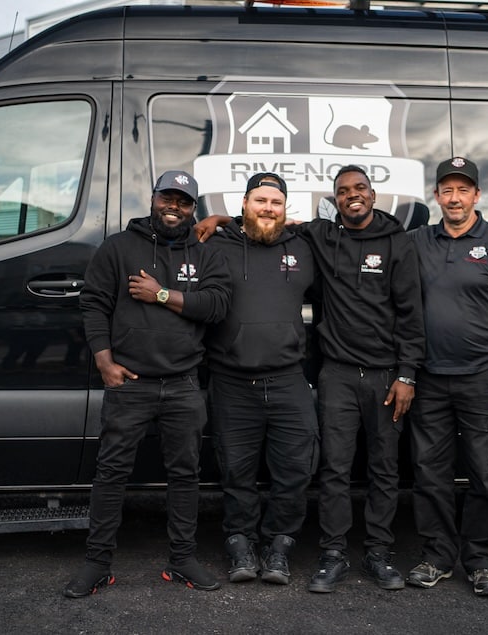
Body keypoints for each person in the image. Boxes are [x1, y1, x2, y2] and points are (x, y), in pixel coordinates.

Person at [197, 163, 424, 593]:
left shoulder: (383, 242)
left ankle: (367, 553)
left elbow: (412, 312)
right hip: (326, 373)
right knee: (325, 470)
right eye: (343, 191)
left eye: (360, 189)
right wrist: (218, 219)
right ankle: (316, 552)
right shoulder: (311, 237)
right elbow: (260, 224)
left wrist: (408, 373)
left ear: (373, 195)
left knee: (373, 470)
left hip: (374, 376)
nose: (352, 195)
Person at [64, 170, 231, 598]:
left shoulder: (207, 254)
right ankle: (98, 563)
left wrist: (161, 294)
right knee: (112, 473)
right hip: (130, 383)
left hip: (183, 384)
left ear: (194, 208)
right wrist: (104, 362)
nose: (174, 207)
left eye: (184, 201)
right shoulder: (119, 247)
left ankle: (182, 559)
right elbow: (93, 304)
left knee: (185, 475)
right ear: (153, 199)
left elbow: (216, 306)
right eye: (167, 198)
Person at [406, 156, 488, 597]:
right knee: (430, 474)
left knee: (485, 473)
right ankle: (437, 557)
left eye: (463, 190)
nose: (455, 198)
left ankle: (480, 561)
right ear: (437, 195)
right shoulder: (417, 242)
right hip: (429, 379)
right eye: (447, 190)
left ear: (477, 195)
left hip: (484, 377)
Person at [204, 172, 319, 586]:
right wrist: (216, 220)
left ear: (285, 209)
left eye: (276, 201)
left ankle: (279, 547)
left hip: (288, 378)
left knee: (294, 471)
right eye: (260, 200)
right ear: (245, 204)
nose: (268, 208)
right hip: (232, 380)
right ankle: (240, 544)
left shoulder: (304, 247)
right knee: (236, 471)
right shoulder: (217, 245)